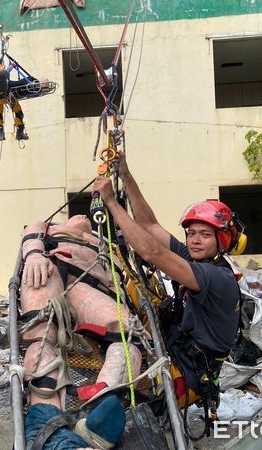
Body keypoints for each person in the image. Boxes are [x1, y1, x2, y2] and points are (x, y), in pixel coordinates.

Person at [92, 152, 242, 423]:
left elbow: (152, 253)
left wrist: (112, 203)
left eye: (205, 235)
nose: (195, 240)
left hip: (187, 374)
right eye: (192, 233)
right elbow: (149, 225)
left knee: (119, 373)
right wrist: (125, 173)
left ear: (222, 241)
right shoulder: (196, 257)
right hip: (179, 350)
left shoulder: (216, 278)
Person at [20, 215, 142, 449]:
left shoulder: (103, 243)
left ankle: (96, 418)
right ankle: (48, 426)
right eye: (77, 215)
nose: (83, 217)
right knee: (41, 334)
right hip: (49, 270)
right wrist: (34, 254)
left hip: (89, 288)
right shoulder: (52, 228)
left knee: (127, 333)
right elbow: (32, 229)